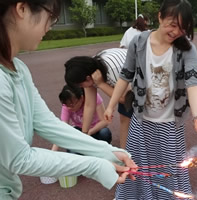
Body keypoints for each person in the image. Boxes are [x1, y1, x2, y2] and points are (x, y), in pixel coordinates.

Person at [0, 1, 137, 199]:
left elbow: (47, 124)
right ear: (22, 9)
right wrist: (94, 165)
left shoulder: (19, 68)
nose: (50, 26)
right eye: (50, 17)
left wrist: (107, 151)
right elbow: (18, 158)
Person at [104, 0, 197, 199]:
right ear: (160, 16)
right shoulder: (139, 42)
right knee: (138, 169)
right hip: (142, 122)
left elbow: (193, 83)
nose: (176, 31)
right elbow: (125, 75)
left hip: (170, 125)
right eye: (172, 24)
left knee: (168, 171)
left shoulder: (187, 49)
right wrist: (110, 105)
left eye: (182, 27)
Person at [64, 48, 133, 149]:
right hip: (121, 74)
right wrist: (84, 134)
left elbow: (124, 99)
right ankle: (124, 153)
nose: (80, 87)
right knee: (124, 117)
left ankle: (136, 153)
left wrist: (101, 84)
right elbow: (89, 105)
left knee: (134, 116)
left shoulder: (112, 70)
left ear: (87, 78)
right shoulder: (89, 72)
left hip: (141, 73)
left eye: (80, 84)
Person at [51, 85, 112, 152]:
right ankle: (86, 150)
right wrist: (53, 152)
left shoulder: (93, 97)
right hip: (79, 131)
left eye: (72, 105)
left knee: (105, 133)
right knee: (71, 147)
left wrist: (90, 132)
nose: (69, 108)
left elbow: (105, 121)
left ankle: (97, 149)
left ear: (81, 98)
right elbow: (63, 128)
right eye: (67, 105)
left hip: (96, 130)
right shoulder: (67, 105)